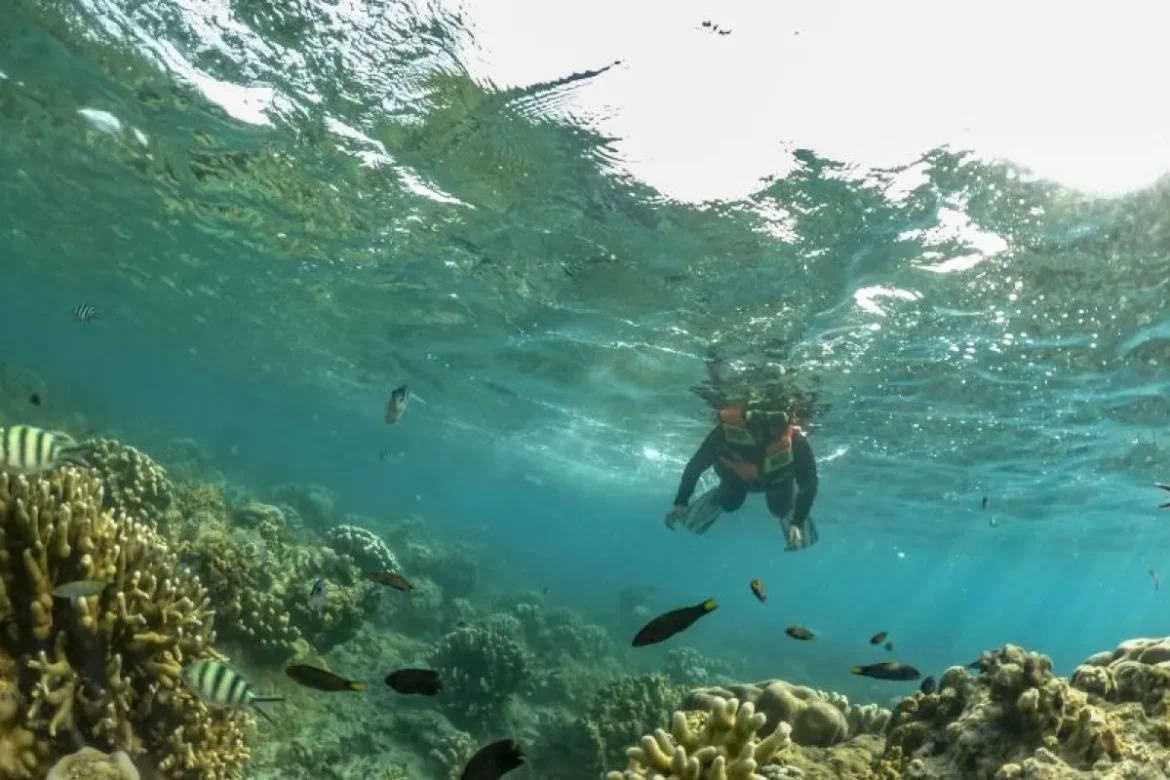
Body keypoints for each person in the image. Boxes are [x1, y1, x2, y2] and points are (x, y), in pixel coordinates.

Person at [665, 403, 819, 549]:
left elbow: (810, 483)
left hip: (775, 481)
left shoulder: (795, 441)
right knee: (730, 503)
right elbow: (696, 466)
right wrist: (681, 500)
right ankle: (724, 499)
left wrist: (798, 521)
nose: (763, 429)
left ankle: (787, 512)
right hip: (741, 480)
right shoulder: (724, 433)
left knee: (780, 508)